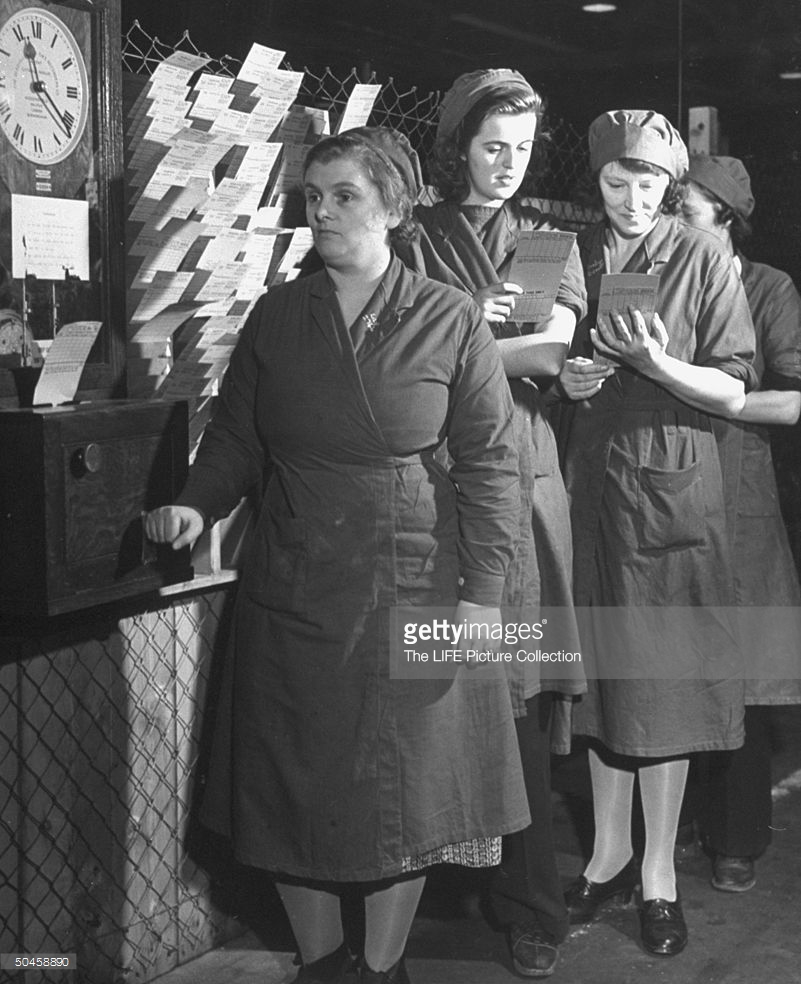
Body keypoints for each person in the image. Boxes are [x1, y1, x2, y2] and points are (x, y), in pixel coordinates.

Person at [144, 129, 531, 984]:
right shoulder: (280, 315)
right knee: (293, 783)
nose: (321, 212)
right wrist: (191, 503)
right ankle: (320, 964)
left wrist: (483, 599)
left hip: (416, 580)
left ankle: (382, 965)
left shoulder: (447, 316)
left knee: (406, 787)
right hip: (295, 580)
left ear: (391, 208)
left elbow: (493, 466)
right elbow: (239, 440)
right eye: (312, 197)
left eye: (342, 195)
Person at [398, 68, 587, 979]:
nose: (507, 164)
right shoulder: (410, 237)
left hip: (519, 478)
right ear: (458, 146)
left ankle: (529, 907)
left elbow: (550, 350)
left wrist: (457, 338)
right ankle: (431, 883)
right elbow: (390, 358)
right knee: (440, 683)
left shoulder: (548, 243)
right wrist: (474, 335)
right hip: (433, 485)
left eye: (520, 148)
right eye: (491, 146)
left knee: (515, 697)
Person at [556, 110, 757, 957]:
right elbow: (547, 347)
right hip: (594, 484)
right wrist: (569, 376)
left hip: (674, 487)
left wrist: (654, 365)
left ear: (670, 188)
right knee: (605, 680)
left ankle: (659, 876)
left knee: (663, 687)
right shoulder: (572, 251)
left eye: (648, 184)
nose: (631, 199)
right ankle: (606, 856)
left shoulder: (703, 255)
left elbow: (735, 388)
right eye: (614, 181)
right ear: (594, 181)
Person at [681, 154, 801, 893]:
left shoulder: (767, 289)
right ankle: (678, 829)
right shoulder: (659, 278)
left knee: (745, 677)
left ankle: (736, 839)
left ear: (724, 218)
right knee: (671, 669)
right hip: (669, 492)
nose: (675, 224)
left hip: (739, 494)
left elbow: (789, 403)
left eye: (689, 212)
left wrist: (696, 394)